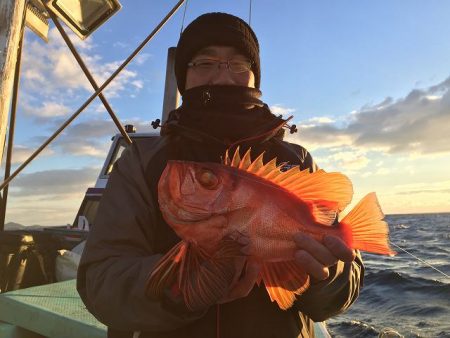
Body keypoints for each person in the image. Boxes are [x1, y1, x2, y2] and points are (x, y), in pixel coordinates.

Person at [77, 12, 364, 338]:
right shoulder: (142, 163)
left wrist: (327, 276)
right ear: (183, 77)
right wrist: (180, 287)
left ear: (255, 78)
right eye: (204, 62)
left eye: (239, 64)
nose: (223, 77)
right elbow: (99, 282)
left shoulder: (296, 161)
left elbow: (341, 289)